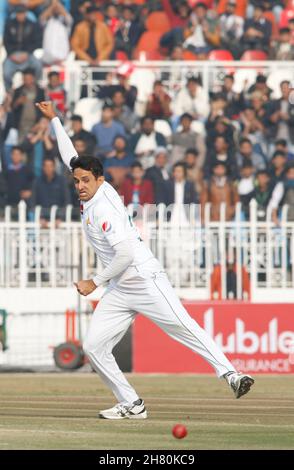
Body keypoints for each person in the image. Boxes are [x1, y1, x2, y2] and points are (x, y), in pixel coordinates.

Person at [35, 101, 254, 420]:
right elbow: (70, 156)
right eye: (76, 181)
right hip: (120, 288)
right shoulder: (100, 186)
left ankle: (232, 376)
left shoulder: (104, 209)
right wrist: (55, 120)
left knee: (184, 327)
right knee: (94, 347)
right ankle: (132, 404)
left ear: (99, 179)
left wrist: (93, 282)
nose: (79, 186)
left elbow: (124, 254)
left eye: (85, 181)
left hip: (142, 277)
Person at [3, 5, 42, 91]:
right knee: (6, 72)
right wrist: (11, 54)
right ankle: (9, 92)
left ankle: (36, 89)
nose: (20, 15)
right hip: (12, 55)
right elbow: (6, 41)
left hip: (28, 54)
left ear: (26, 13)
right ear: (16, 14)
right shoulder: (9, 24)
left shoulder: (32, 25)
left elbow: (36, 42)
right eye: (18, 13)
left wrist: (27, 53)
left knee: (38, 66)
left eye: (22, 13)